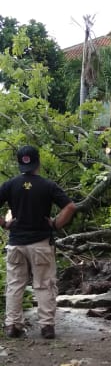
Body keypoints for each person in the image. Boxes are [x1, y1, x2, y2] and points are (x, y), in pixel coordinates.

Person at [0, 145, 76, 339]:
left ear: (19, 163)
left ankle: (12, 325)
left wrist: (5, 224)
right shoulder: (47, 185)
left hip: (16, 243)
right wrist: (56, 224)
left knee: (15, 284)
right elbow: (70, 206)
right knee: (44, 284)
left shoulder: (10, 185)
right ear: (38, 162)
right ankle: (47, 326)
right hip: (41, 243)